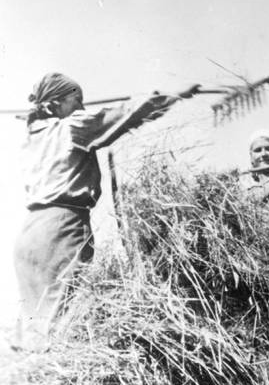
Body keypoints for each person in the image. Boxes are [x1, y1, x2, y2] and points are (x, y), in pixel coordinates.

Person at [13, 72, 200, 351]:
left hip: (29, 236)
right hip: (61, 226)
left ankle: (32, 376)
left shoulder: (31, 135)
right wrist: (172, 95)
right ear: (58, 103)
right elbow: (123, 115)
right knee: (62, 319)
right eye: (76, 101)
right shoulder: (71, 127)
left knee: (35, 323)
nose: (81, 108)